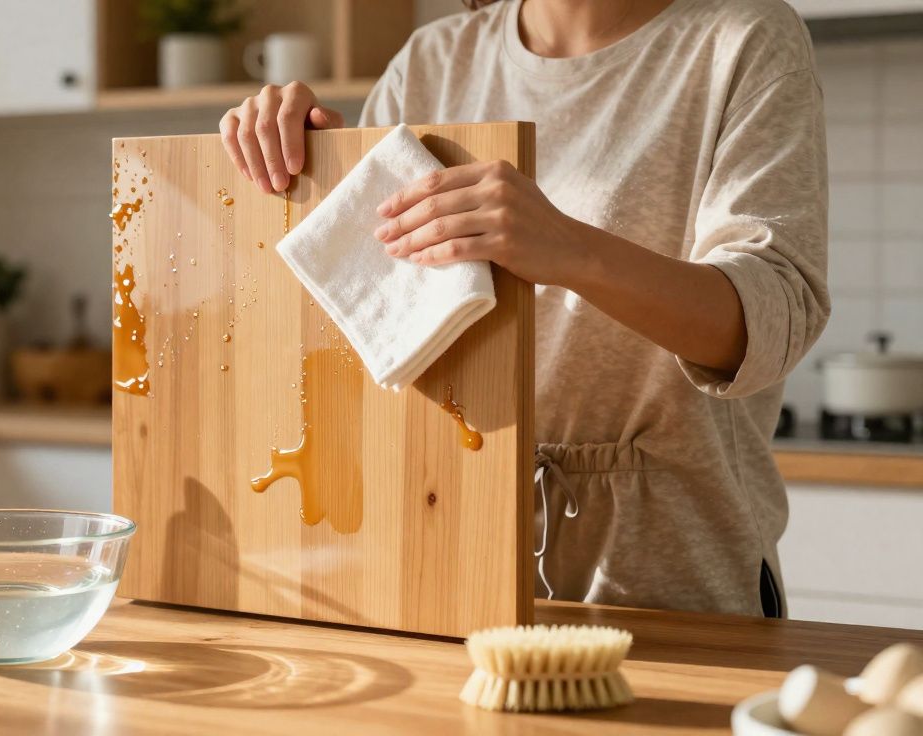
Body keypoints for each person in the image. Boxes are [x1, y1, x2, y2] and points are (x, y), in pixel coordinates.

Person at [219, 0, 829, 617]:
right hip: (451, 560)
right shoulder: (431, 63)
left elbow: (774, 316)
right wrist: (309, 178)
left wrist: (572, 250)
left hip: (673, 574)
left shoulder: (743, 38)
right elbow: (364, 326)